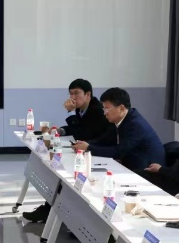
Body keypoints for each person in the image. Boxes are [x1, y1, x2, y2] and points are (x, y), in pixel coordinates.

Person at [23, 79, 113, 222]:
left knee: (64, 175)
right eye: (70, 93)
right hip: (85, 150)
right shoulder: (82, 108)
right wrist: (61, 130)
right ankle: (49, 209)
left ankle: (54, 212)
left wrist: (70, 113)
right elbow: (77, 127)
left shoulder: (96, 110)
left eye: (76, 93)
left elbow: (83, 132)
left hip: (99, 152)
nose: (72, 97)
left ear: (88, 94)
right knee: (57, 170)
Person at [72, 87, 165, 171]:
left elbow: (119, 151)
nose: (105, 113)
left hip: (147, 172)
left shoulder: (135, 125)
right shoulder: (123, 119)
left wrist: (88, 148)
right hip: (132, 165)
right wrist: (84, 144)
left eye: (107, 109)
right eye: (104, 109)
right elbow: (104, 140)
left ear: (121, 108)